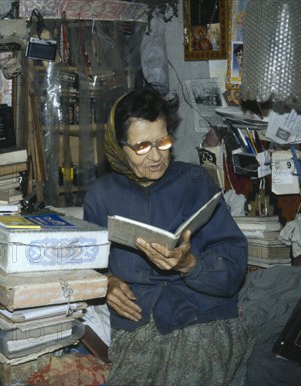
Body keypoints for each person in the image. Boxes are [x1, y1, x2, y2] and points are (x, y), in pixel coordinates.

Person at [83, 88, 253, 385]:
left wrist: (189, 265)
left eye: (162, 141)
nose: (156, 156)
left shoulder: (196, 182)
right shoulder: (101, 196)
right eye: (142, 146)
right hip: (138, 323)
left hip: (201, 317)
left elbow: (234, 266)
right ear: (118, 146)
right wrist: (106, 282)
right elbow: (89, 263)